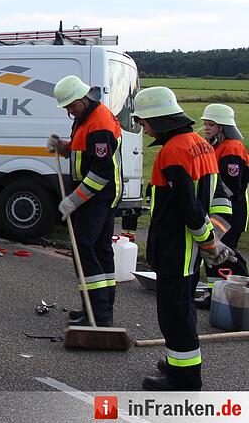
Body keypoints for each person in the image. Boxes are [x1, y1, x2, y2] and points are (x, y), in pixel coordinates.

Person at [131, 86, 236, 391]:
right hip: (189, 250)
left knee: (174, 314)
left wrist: (209, 242)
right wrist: (213, 238)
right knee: (182, 309)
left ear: (158, 119)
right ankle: (178, 363)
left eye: (144, 122)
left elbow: (188, 208)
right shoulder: (201, 145)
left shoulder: (173, 152)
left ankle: (184, 378)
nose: (144, 129)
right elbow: (219, 198)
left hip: (177, 248)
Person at [47, 75, 122, 327]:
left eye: (71, 106)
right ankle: (96, 310)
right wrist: (63, 147)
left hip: (97, 196)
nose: (69, 111)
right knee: (99, 250)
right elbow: (84, 151)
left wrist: (73, 201)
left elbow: (101, 172)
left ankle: (98, 314)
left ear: (83, 98)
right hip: (95, 196)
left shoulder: (99, 123)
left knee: (85, 249)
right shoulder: (86, 116)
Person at [195, 103, 249, 308]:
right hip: (220, 210)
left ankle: (236, 291)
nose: (206, 128)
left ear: (222, 127)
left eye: (210, 125)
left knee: (224, 253)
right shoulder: (218, 146)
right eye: (205, 124)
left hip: (231, 211)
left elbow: (231, 185)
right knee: (214, 253)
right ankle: (215, 295)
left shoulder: (232, 148)